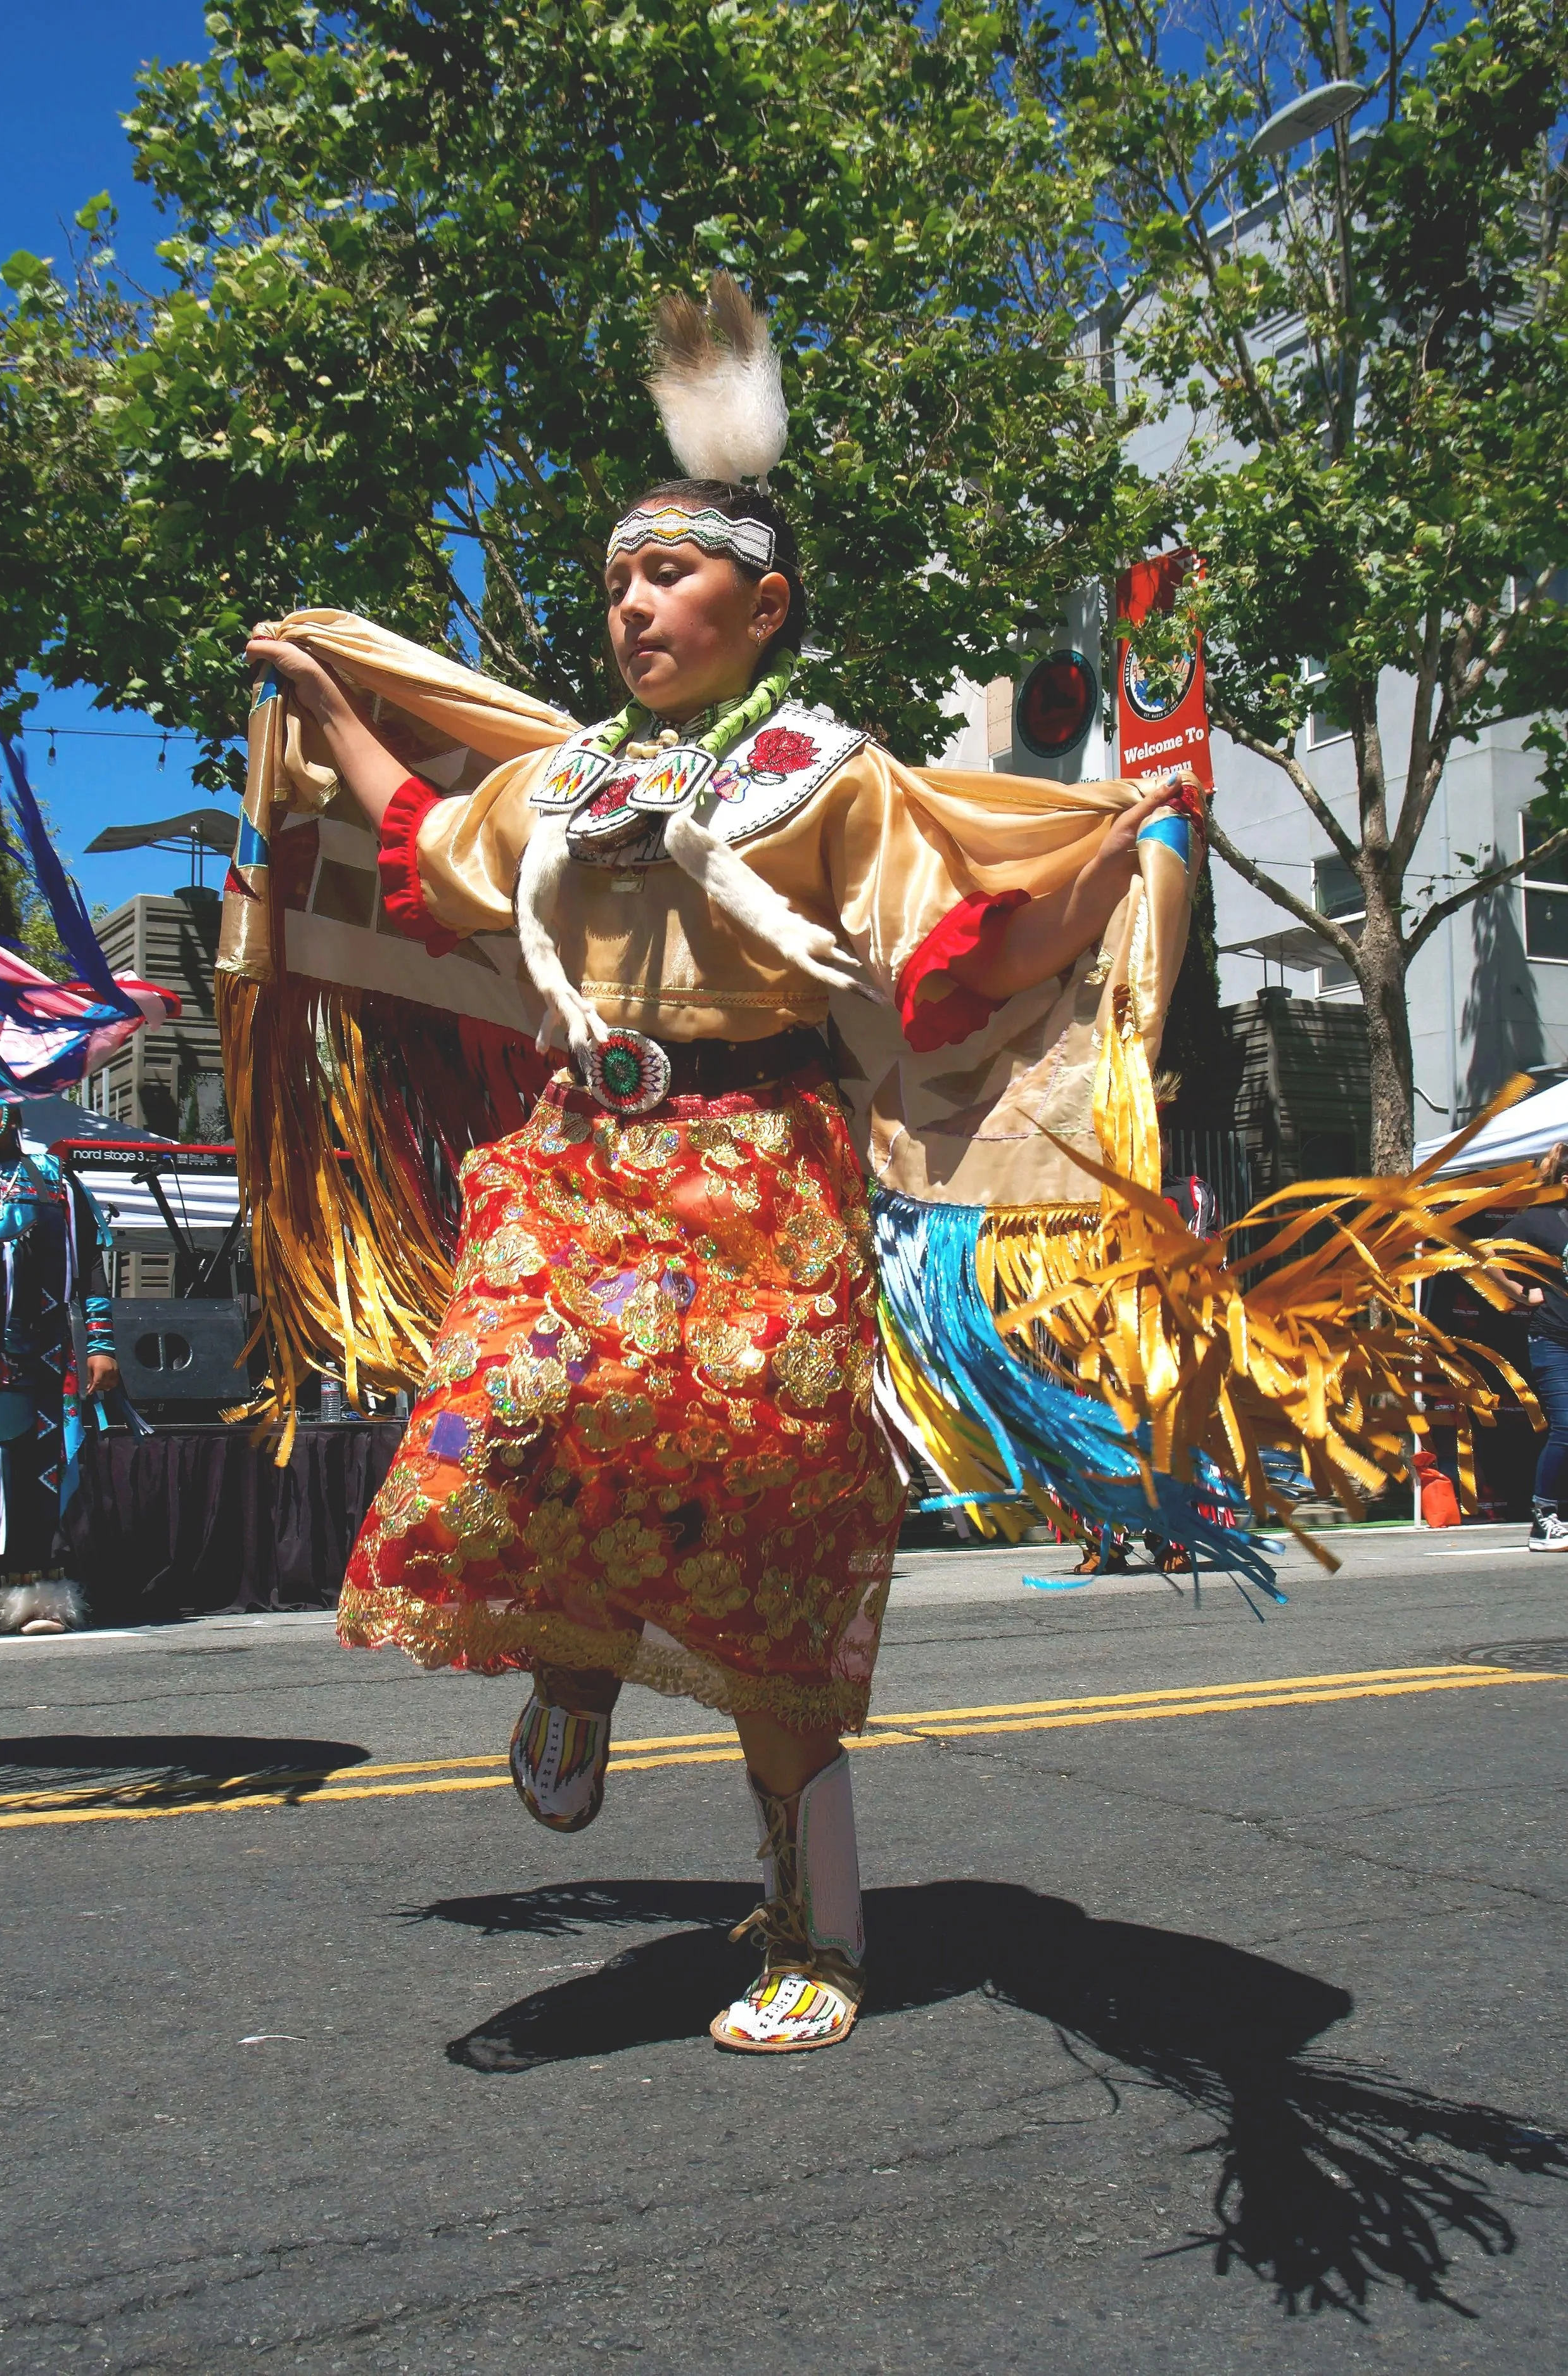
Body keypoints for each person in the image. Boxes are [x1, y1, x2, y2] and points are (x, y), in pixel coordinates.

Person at [243, 280, 1197, 2054]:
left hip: (761, 1172)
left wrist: (1097, 867)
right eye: (614, 583)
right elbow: (424, 844)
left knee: (761, 1539)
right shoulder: (574, 777)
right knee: (519, 1409)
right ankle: (576, 1668)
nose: (628, 607)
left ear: (762, 606)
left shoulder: (824, 776)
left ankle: (818, 1933)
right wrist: (325, 700)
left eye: (664, 579)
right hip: (579, 1162)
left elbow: (955, 956)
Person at [0, 1101, 120, 1633]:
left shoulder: (53, 1178)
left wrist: (100, 1344)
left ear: (13, 1111)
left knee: (36, 1473)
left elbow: (88, 1265)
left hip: (35, 1355)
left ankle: (31, 1598)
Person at [1489, 1140, 1568, 1551]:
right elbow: (1487, 1253)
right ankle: (1544, 1519)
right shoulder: (1541, 1221)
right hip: (1554, 1341)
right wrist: (1522, 1294)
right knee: (1567, 1428)